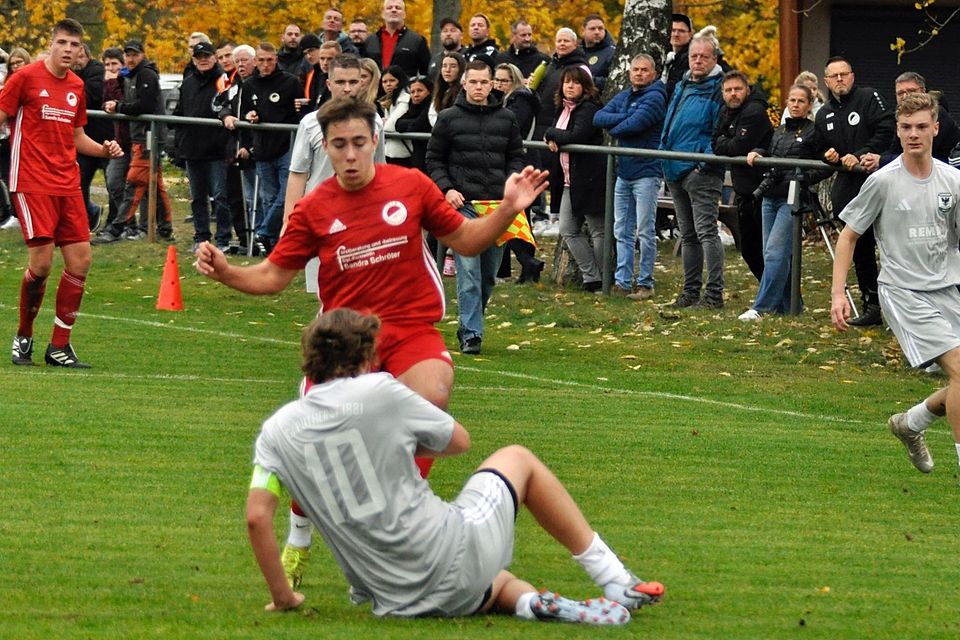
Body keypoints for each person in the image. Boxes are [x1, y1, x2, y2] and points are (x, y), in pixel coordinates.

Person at [197, 98, 549, 583]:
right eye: (339, 145)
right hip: (346, 342)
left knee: (433, 398)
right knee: (321, 444)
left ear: (375, 141)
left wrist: (509, 207)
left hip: (409, 328)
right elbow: (273, 277)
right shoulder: (314, 209)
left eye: (359, 143)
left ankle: (406, 516)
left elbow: (466, 241)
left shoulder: (410, 186)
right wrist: (226, 272)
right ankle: (300, 537)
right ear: (326, 147)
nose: (350, 154)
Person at [246, 307, 665, 622]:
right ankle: (615, 579)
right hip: (447, 555)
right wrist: (395, 444)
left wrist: (284, 597)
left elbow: (256, 518)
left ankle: (530, 604)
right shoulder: (380, 390)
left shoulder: (277, 430)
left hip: (394, 598)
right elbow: (459, 442)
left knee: (495, 582)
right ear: (368, 356)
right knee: (517, 459)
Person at [830, 92, 960, 477]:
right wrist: (839, 293)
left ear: (935, 128)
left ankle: (911, 423)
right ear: (898, 131)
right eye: (906, 128)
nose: (914, 134)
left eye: (922, 126)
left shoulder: (953, 180)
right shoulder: (882, 182)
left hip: (947, 289)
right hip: (903, 293)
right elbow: (848, 236)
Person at [1, 18, 123, 368]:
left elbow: (77, 137)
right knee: (40, 264)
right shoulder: (24, 78)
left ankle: (59, 347)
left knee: (81, 261)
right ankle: (23, 336)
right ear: (52, 45)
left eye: (75, 45)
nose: (69, 50)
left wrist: (104, 149)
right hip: (30, 181)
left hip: (67, 183)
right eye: (63, 43)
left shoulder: (76, 85)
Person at [426, 61, 525, 354]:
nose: (479, 88)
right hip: (464, 206)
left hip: (497, 207)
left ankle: (471, 323)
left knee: (487, 274)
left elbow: (516, 157)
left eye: (485, 82)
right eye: (474, 82)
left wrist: (511, 186)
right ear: (465, 84)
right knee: (468, 272)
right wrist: (447, 189)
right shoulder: (447, 118)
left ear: (492, 84)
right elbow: (434, 159)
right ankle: (472, 334)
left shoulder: (506, 119)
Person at [739, 84, 832, 320]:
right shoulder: (778, 131)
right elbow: (769, 149)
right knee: (775, 254)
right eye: (792, 100)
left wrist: (803, 179)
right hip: (770, 195)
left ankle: (762, 307)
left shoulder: (814, 132)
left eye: (801, 101)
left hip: (791, 197)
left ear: (810, 104)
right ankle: (791, 306)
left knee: (774, 252)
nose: (795, 105)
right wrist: (757, 152)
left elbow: (827, 163)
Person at [815, 56, 895, 327]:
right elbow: (818, 146)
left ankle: (901, 306)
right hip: (849, 188)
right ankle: (871, 305)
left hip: (878, 180)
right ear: (826, 81)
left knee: (892, 246)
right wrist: (828, 155)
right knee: (859, 246)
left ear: (852, 76)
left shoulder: (869, 98)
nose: (839, 79)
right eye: (834, 76)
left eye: (844, 74)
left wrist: (859, 154)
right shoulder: (824, 113)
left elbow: (887, 132)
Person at [659, 34, 726, 309]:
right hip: (673, 168)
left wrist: (703, 162)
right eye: (693, 56)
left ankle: (713, 295)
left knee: (707, 232)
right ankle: (689, 292)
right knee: (687, 235)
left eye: (704, 56)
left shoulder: (719, 89)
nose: (697, 61)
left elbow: (719, 132)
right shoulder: (682, 84)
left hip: (700, 171)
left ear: (715, 59)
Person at [593, 53, 666, 300]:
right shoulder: (626, 95)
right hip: (624, 172)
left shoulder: (656, 97)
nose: (639, 73)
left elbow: (633, 125)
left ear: (653, 73)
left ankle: (646, 282)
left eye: (644, 70)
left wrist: (618, 123)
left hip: (646, 171)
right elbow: (598, 117)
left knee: (645, 230)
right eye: (635, 69)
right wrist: (624, 119)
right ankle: (622, 281)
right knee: (621, 229)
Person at [95, 40, 175, 244]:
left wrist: (119, 107)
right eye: (128, 55)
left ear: (142, 55)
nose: (131, 59)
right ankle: (165, 229)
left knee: (134, 183)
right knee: (154, 184)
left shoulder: (146, 74)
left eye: (134, 55)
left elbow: (144, 105)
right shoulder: (129, 75)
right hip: (140, 136)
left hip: (149, 137)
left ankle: (117, 228)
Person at [544, 65, 606, 293]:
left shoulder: (588, 108)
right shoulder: (562, 108)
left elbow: (576, 135)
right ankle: (593, 277)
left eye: (576, 82)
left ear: (585, 86)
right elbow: (560, 134)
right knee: (568, 229)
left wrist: (552, 135)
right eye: (566, 82)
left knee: (598, 230)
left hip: (589, 178)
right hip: (570, 179)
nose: (570, 86)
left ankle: (604, 280)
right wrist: (554, 135)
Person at [241, 42, 303, 253]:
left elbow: (300, 112)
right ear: (255, 62)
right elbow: (246, 113)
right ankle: (273, 245)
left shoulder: (290, 82)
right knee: (268, 198)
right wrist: (251, 117)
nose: (265, 65)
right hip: (262, 146)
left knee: (286, 195)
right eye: (261, 60)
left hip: (286, 145)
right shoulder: (249, 85)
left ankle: (265, 231)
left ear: (276, 59)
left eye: (269, 60)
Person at [712, 70, 773, 283]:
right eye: (728, 90)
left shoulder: (754, 111)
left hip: (764, 189)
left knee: (769, 249)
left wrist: (727, 142)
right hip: (743, 190)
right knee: (749, 250)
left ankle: (780, 296)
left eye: (738, 89)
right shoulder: (725, 111)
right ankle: (769, 291)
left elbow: (740, 145)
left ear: (747, 90)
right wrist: (729, 142)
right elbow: (716, 144)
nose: (733, 94)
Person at [174, 42, 232, 251]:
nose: (203, 59)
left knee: (220, 196)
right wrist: (178, 143)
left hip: (216, 148)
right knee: (197, 197)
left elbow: (227, 107)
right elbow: (180, 112)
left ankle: (224, 238)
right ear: (193, 59)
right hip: (192, 148)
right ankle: (201, 237)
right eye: (199, 56)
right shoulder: (188, 83)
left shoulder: (224, 80)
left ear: (214, 57)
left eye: (206, 55)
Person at [494, 62, 543, 283]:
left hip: (522, 162)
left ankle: (526, 263)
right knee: (514, 216)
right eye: (497, 80)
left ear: (514, 80)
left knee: (514, 216)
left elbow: (509, 126)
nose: (499, 84)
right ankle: (525, 266)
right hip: (515, 161)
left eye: (504, 80)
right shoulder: (506, 99)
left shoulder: (520, 99)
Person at [877, 71, 960, 167]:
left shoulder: (937, 113)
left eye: (911, 91)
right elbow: (895, 149)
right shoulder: (898, 116)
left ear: (923, 91)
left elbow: (919, 156)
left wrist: (881, 160)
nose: (905, 97)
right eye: (900, 93)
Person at [74, 43, 111, 231]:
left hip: (105, 136)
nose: (76, 61)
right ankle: (88, 215)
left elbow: (89, 96)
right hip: (84, 137)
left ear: (87, 56)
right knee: (79, 182)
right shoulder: (73, 74)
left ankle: (117, 223)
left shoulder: (97, 70)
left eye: (80, 57)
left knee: (112, 184)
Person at [363, 0, 430, 78]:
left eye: (398, 8)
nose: (393, 10)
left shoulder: (417, 40)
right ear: (383, 14)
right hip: (377, 89)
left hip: (405, 89)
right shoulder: (370, 41)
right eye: (389, 8)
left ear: (404, 14)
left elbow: (426, 73)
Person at [394, 74, 433, 173]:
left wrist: (411, 124)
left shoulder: (431, 106)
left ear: (429, 91)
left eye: (420, 91)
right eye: (412, 92)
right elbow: (398, 124)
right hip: (417, 155)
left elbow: (420, 124)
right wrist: (413, 124)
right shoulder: (412, 107)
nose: (416, 94)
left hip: (430, 157)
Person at [379, 65, 412, 165]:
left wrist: (382, 123)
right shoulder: (388, 101)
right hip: (389, 152)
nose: (388, 84)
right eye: (384, 82)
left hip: (401, 153)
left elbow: (390, 126)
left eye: (392, 80)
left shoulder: (405, 100)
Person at [662, 13, 693, 100]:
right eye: (673, 30)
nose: (676, 34)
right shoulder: (663, 54)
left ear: (690, 34)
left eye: (681, 31)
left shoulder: (692, 57)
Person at [429, 51, 464, 125]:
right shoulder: (440, 91)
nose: (447, 70)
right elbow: (432, 114)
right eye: (444, 66)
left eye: (453, 66)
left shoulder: (463, 92)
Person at [580, 14, 614, 91]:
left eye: (600, 28)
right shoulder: (577, 52)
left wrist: (589, 80)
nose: (597, 32)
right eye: (592, 29)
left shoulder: (612, 53)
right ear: (583, 31)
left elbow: (615, 83)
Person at [427, 17, 463, 82]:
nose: (448, 34)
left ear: (461, 35)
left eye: (452, 30)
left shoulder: (467, 55)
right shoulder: (435, 59)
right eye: (445, 31)